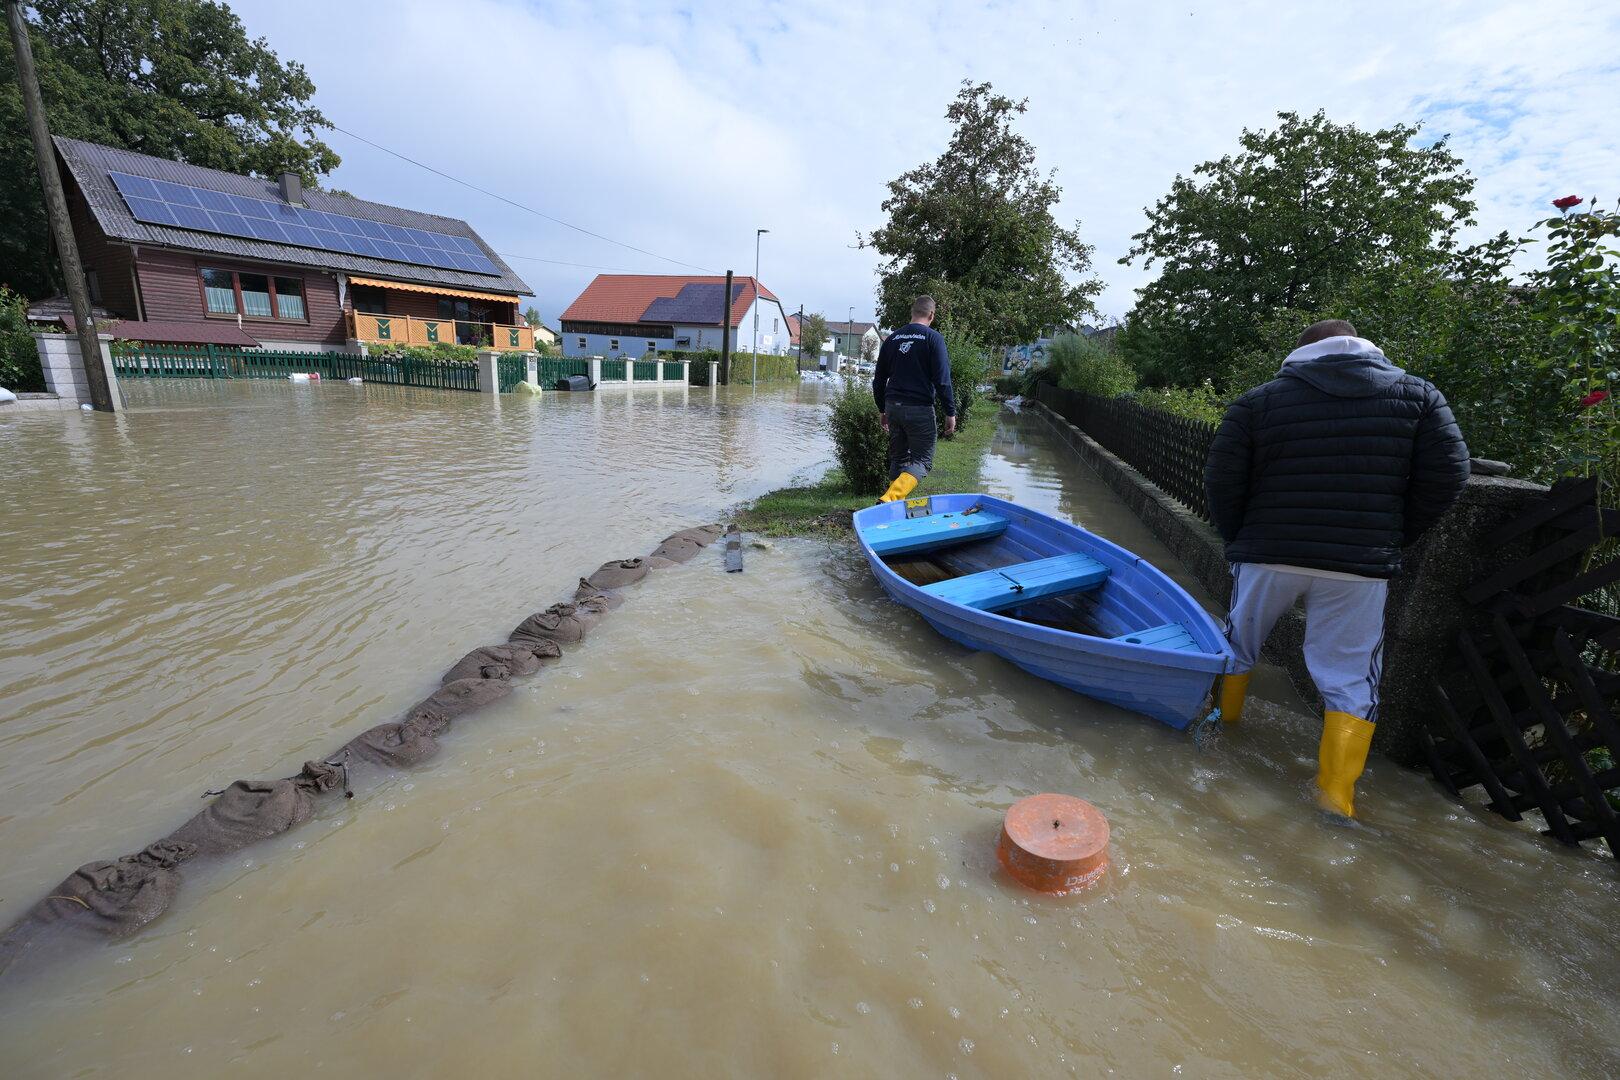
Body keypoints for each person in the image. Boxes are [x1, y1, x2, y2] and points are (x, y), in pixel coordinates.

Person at [1205, 319, 1469, 819]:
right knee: (1350, 678)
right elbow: (1451, 473)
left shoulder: (1259, 401)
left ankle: (1219, 736)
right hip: (1358, 567)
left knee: (1236, 644)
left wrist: (1241, 538)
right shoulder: (1420, 397)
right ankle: (1334, 799)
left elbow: (1222, 478)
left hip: (1268, 554)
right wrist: (1391, 536)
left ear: (1302, 353)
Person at [873, 295, 955, 503]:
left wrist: (882, 409)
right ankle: (890, 499)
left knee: (899, 458)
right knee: (922, 461)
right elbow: (942, 380)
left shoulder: (892, 338)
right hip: (918, 408)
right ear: (931, 315)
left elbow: (879, 379)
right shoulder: (933, 338)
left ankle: (890, 507)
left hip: (893, 406)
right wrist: (950, 412)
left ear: (912, 312)